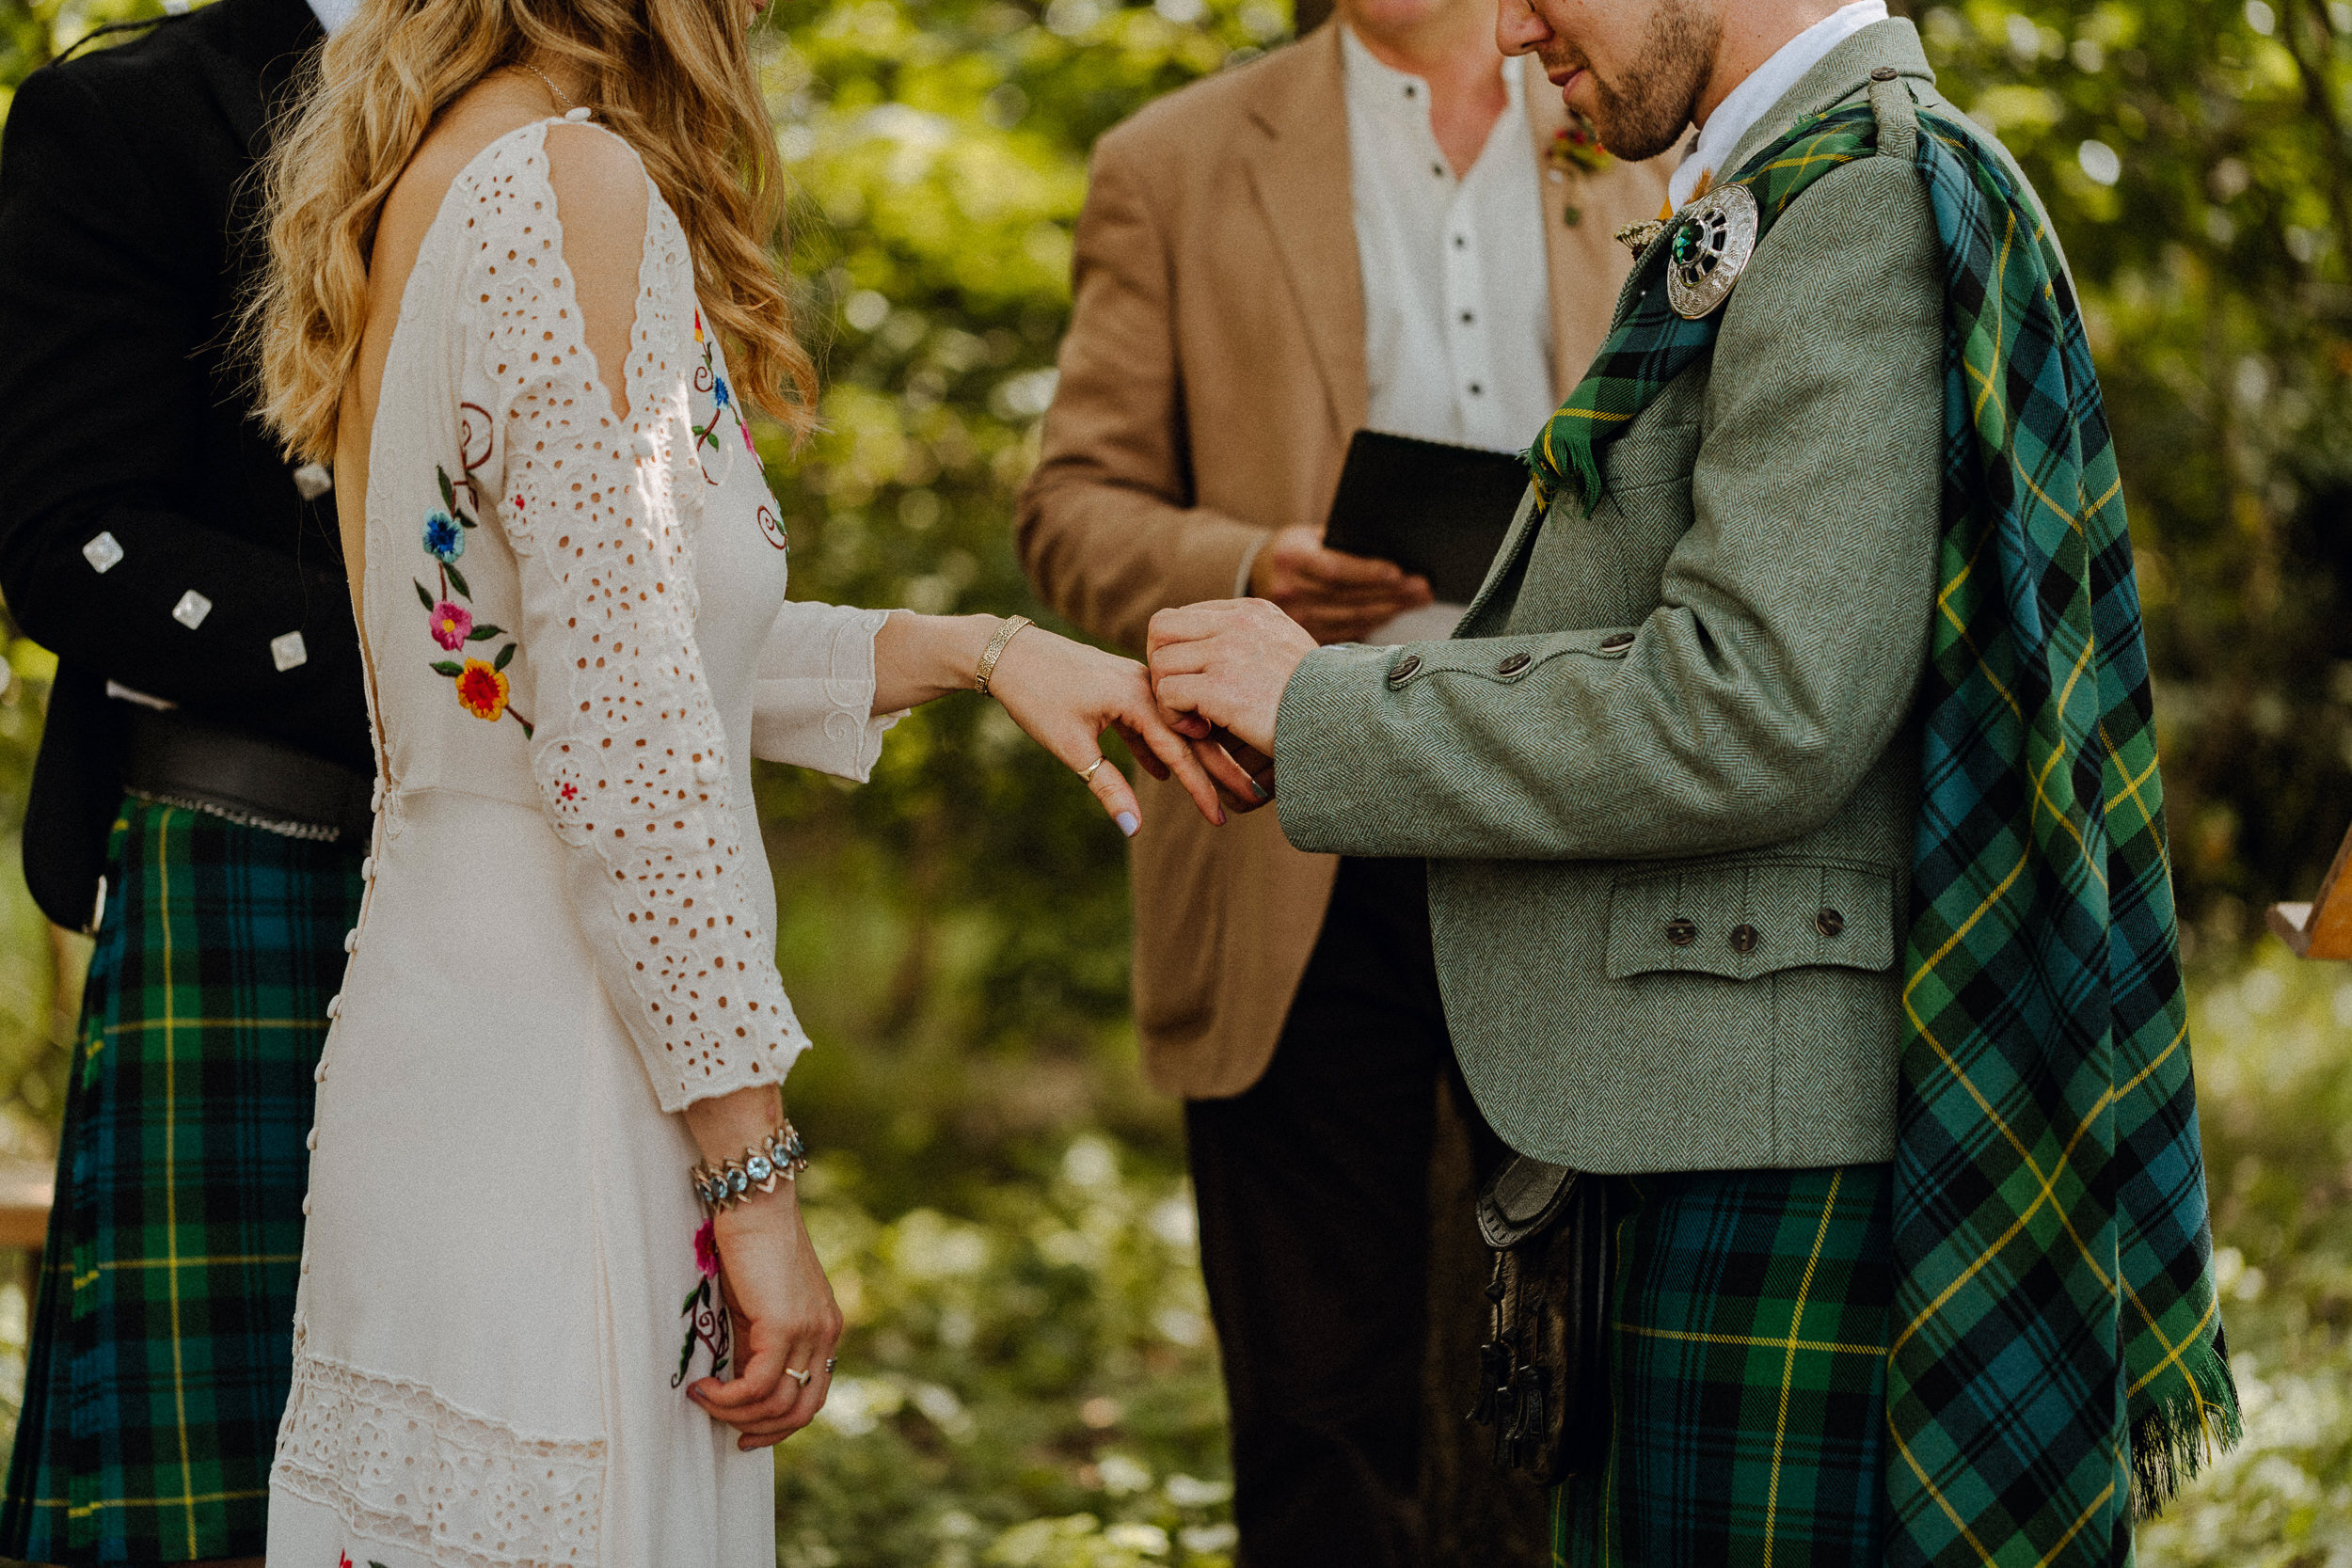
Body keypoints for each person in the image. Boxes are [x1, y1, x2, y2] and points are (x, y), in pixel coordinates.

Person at [1144, 0, 2244, 1561]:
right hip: (1714, 1110)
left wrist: (1328, 713)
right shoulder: (1788, 185)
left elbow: (1758, 701)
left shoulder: (1852, 202)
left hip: (1783, 1148)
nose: (1509, 27)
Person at [242, 0, 1239, 1559]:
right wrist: (753, 1182)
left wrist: (985, 652)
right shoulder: (574, 183)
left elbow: (577, 663)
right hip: (573, 1080)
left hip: (441, 1037)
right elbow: (625, 737)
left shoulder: (437, 166)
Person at [1014, 0, 1662, 1558]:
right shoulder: (1168, 162)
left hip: (1568, 813)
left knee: (1631, 1374)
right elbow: (1069, 510)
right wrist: (1250, 565)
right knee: (1317, 1416)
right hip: (1288, 828)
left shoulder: (1638, 141)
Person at [0, 0, 369, 1560]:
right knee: (219, 1491)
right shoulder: (138, 111)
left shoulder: (604, 95)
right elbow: (70, 540)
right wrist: (454, 669)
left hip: (543, 863)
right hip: (265, 851)